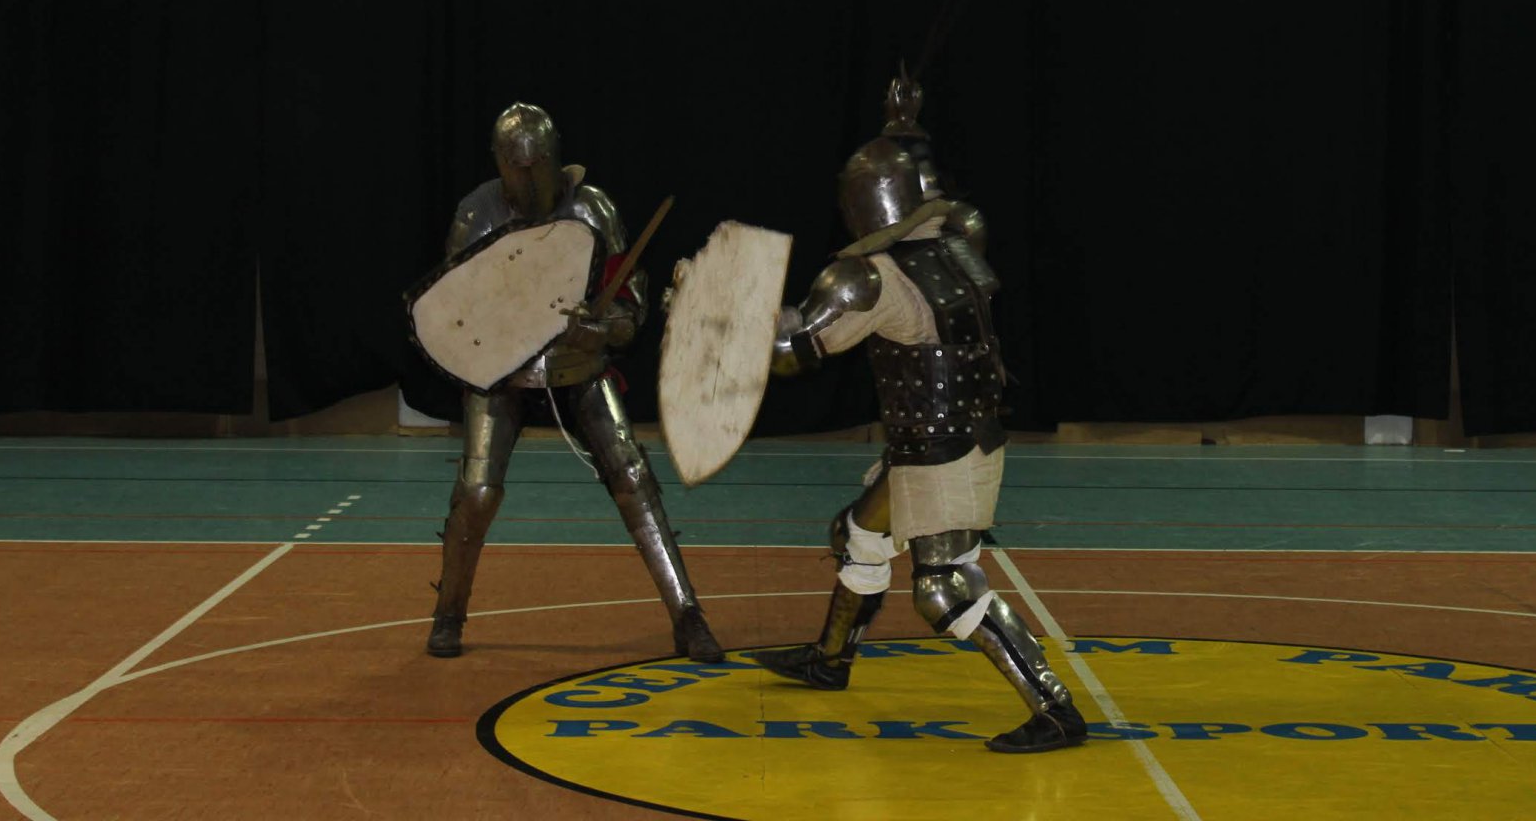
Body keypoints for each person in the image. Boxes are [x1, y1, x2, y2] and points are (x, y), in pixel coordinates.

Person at [752, 131, 1086, 753]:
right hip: (943, 438)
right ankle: (830, 659)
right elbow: (959, 215)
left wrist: (718, 314)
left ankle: (1054, 707)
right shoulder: (953, 249)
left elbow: (791, 352)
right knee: (859, 531)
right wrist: (904, 129)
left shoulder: (873, 279)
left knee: (944, 586)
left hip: (943, 454)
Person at [425, 102, 722, 663]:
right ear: (499, 164)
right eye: (518, 166)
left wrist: (604, 329)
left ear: (555, 158)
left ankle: (688, 615)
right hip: (502, 371)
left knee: (633, 476)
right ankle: (448, 612)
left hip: (580, 366)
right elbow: (454, 311)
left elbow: (628, 298)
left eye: (539, 164)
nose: (530, 177)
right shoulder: (477, 216)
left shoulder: (592, 209)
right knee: (477, 492)